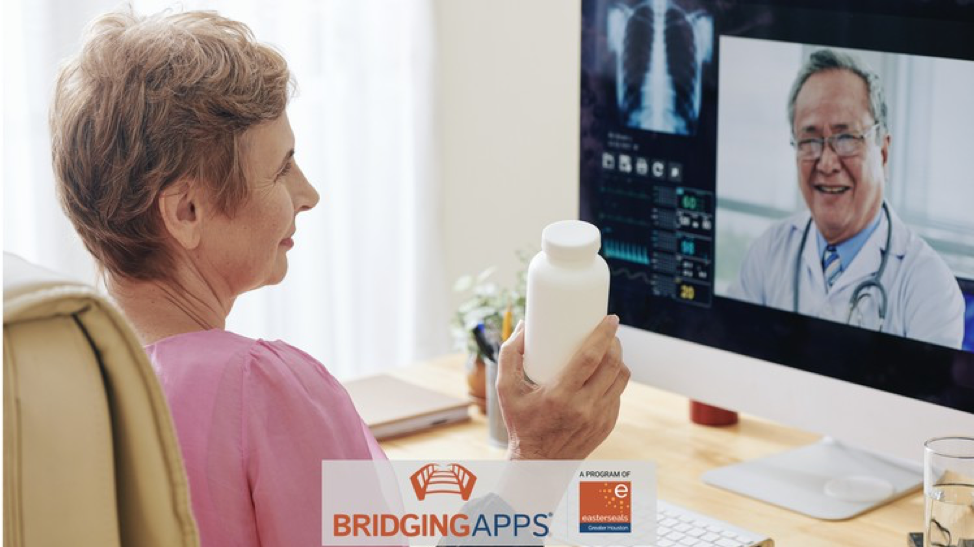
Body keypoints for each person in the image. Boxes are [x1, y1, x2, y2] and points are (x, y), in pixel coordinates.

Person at [49, 10, 631, 547]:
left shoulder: (57, 379)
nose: (308, 195)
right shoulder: (261, 392)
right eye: (281, 170)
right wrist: (539, 460)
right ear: (186, 213)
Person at [728, 49, 964, 349]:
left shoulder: (930, 289)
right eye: (809, 140)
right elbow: (731, 364)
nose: (826, 163)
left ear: (883, 152)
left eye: (846, 138)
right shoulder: (768, 252)